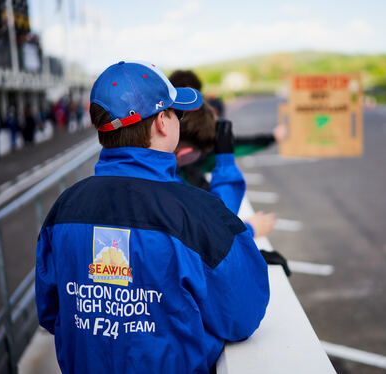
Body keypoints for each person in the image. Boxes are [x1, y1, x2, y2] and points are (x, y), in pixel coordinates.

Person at [35, 60, 270, 374]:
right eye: (177, 113)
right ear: (162, 122)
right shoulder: (197, 212)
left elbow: (51, 313)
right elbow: (244, 312)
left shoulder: (63, 210)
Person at [175, 102, 277, 238]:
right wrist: (251, 229)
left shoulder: (150, 174)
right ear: (184, 152)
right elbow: (218, 232)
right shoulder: (176, 188)